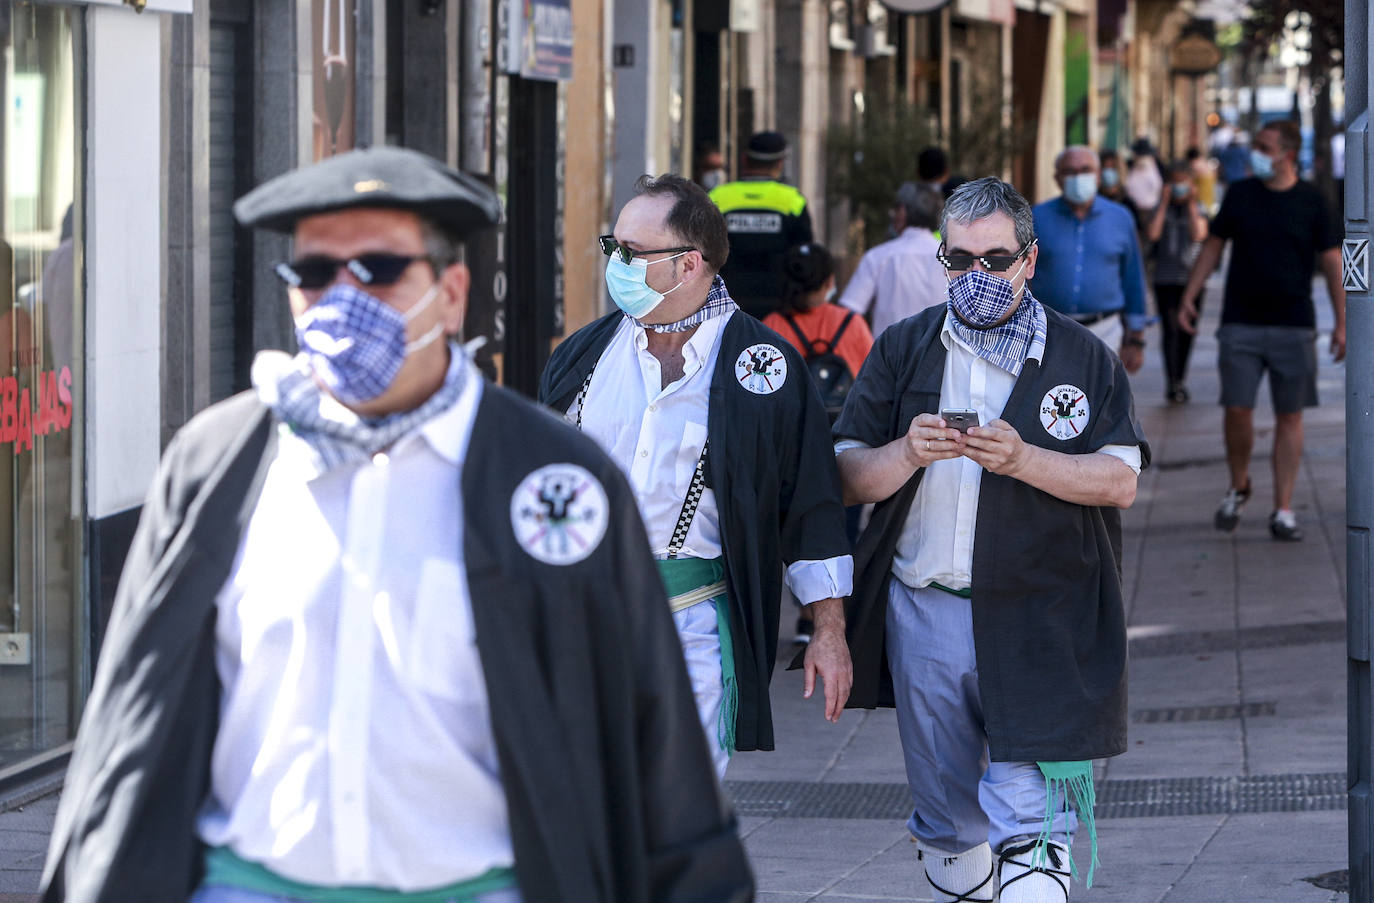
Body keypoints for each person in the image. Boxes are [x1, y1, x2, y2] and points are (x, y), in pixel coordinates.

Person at [42, 147, 753, 903]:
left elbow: (650, 735)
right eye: (315, 273)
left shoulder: (551, 478)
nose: (343, 296)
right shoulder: (219, 462)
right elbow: (131, 718)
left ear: (450, 293)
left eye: (379, 269)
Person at [834, 177, 1148, 902]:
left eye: (995, 259)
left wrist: (1026, 461)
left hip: (1042, 613)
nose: (976, 276)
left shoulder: (1082, 357)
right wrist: (905, 452)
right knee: (948, 831)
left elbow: (1120, 480)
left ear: (1029, 261)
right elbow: (845, 475)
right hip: (926, 612)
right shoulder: (905, 347)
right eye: (960, 259)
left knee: (1034, 829)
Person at [540, 174, 853, 778]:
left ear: (688, 265)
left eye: (632, 252)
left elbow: (810, 501)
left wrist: (829, 630)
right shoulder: (581, 356)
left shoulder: (762, 367)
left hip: (694, 621)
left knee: (675, 805)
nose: (616, 263)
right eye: (613, 247)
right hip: (581, 617)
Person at [1178, 119, 1346, 542]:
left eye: (1264, 146)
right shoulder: (1241, 194)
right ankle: (1239, 484)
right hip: (1241, 323)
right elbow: (1214, 246)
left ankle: (1284, 508)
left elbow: (1331, 262)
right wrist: (1190, 297)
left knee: (1290, 416)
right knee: (1237, 408)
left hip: (1294, 323)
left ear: (1288, 154)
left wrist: (1343, 322)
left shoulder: (1313, 201)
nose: (1256, 152)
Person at [1029, 145, 1148, 373]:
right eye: (1070, 171)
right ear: (1057, 178)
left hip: (1106, 330)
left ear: (1098, 174)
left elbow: (1132, 278)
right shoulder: (1037, 218)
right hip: (1049, 330)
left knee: (1102, 403)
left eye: (1085, 170)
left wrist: (1136, 339)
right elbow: (1022, 276)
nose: (1078, 177)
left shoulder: (1121, 218)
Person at [710, 131, 814, 319]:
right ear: (780, 163)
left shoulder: (717, 197)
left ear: (744, 160)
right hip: (778, 308)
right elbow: (806, 257)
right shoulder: (793, 201)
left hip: (725, 305)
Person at [764, 241, 874, 417]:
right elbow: (873, 382)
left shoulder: (771, 326)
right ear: (829, 282)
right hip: (842, 426)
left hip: (790, 429)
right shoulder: (852, 323)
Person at [837, 182, 947, 338]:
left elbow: (847, 315)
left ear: (902, 211)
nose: (892, 214)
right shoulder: (952, 259)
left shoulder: (878, 257)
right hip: (941, 358)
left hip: (887, 358)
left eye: (895, 209)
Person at [1145, 162, 1209, 403]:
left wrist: (1191, 202)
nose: (1179, 188)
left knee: (1186, 331)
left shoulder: (1199, 208)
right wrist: (1163, 203)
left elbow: (1199, 234)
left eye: (1184, 182)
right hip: (1165, 278)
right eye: (1175, 182)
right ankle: (1173, 382)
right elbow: (1152, 234)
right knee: (1170, 330)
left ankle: (1180, 377)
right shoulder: (1159, 209)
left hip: (1192, 280)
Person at [1097, 149, 1137, 223]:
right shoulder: (1093, 202)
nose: (1108, 172)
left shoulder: (1127, 205)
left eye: (1112, 168)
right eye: (1104, 168)